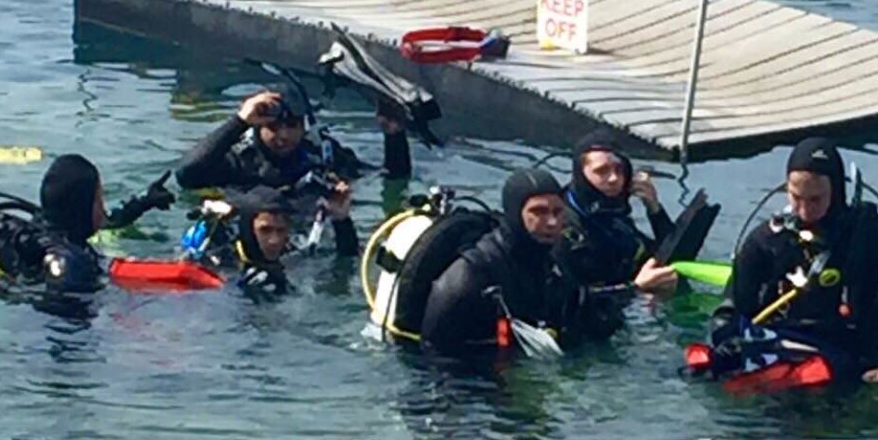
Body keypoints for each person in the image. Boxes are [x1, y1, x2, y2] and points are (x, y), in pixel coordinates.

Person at [714, 137, 878, 383]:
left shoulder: (872, 240)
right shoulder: (767, 242)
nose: (805, 211)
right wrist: (727, 340)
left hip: (851, 356)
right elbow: (730, 309)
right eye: (796, 197)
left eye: (815, 199)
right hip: (784, 349)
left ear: (836, 191)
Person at [420, 169, 588, 357]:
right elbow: (434, 353)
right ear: (516, 214)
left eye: (558, 211)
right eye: (538, 212)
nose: (552, 222)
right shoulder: (471, 275)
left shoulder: (557, 263)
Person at [174, 84, 410, 200]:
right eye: (273, 127)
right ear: (258, 126)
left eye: (292, 126)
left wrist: (394, 135)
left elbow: (393, 176)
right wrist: (240, 121)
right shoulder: (239, 159)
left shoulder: (320, 153)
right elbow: (186, 175)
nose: (283, 136)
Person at [0, 155, 175, 294]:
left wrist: (142, 202)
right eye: (99, 200)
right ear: (84, 206)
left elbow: (103, 221)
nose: (102, 208)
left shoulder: (37, 226)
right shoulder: (72, 264)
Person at [557, 130, 678, 295]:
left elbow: (672, 256)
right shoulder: (562, 225)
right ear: (580, 174)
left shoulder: (615, 214)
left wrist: (654, 208)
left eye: (619, 170)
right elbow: (568, 297)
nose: (614, 178)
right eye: (602, 171)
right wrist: (635, 288)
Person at [191, 182, 359, 296]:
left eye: (281, 231)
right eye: (265, 230)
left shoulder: (291, 254)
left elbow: (346, 262)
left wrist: (342, 220)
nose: (274, 240)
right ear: (248, 228)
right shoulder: (220, 261)